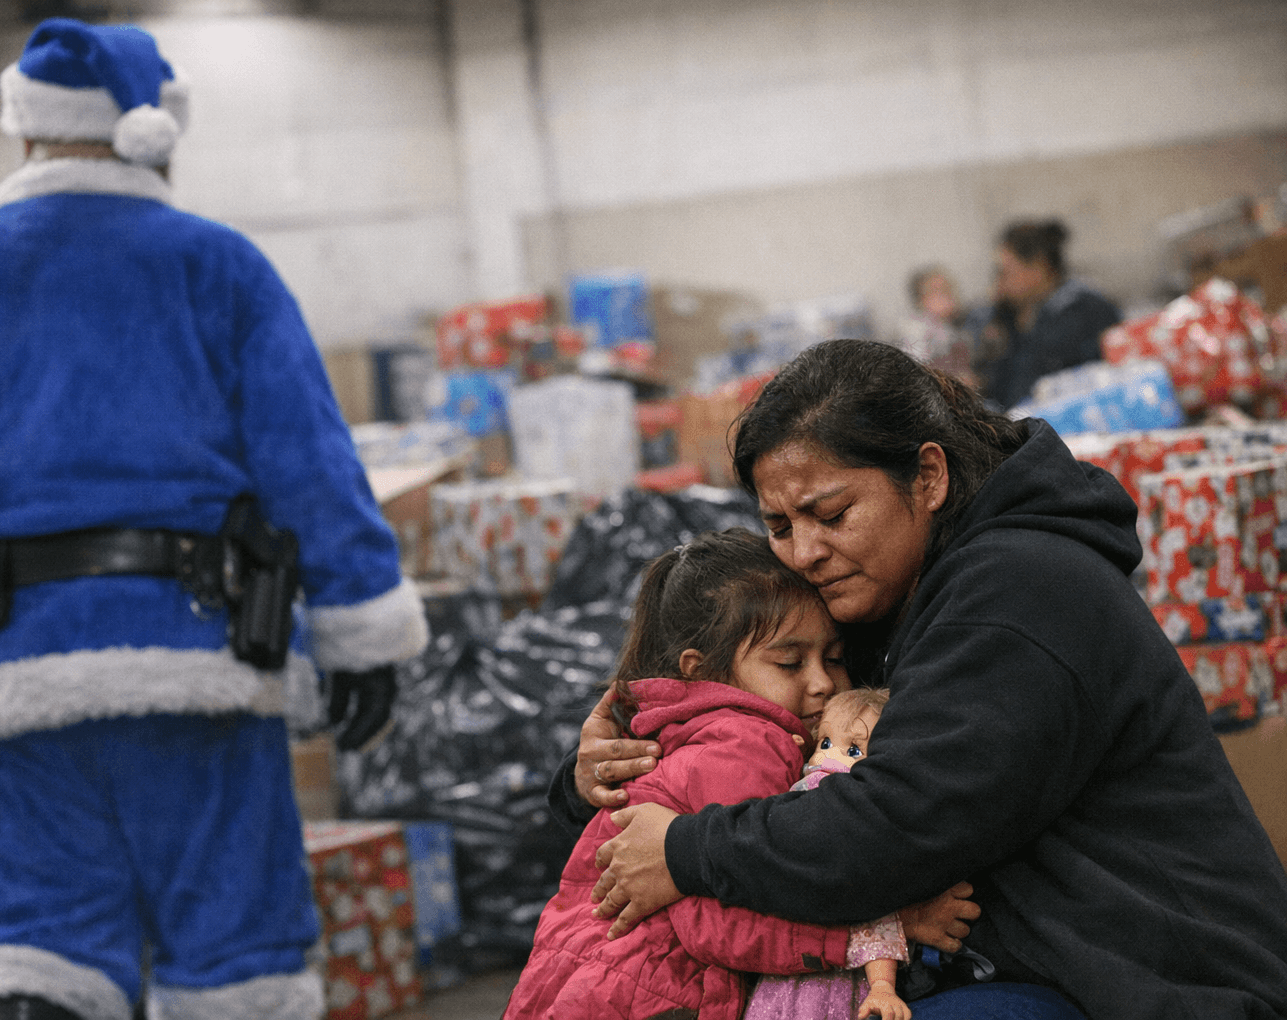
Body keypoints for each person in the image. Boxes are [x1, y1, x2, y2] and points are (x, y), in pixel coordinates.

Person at [0, 19, 429, 1020]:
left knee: (41, 941)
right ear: (156, 134)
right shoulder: (218, 267)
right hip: (196, 661)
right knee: (234, 946)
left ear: (24, 132)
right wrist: (361, 631)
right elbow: (309, 464)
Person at [554, 339, 1287, 1019]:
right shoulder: (878, 598)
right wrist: (604, 774)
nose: (805, 551)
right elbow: (740, 729)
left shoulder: (1019, 593)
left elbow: (895, 826)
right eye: (780, 526)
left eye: (831, 514)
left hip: (1154, 987)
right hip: (1018, 965)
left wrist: (686, 850)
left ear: (928, 477)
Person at [505, 530, 963, 1020]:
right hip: (650, 995)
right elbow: (720, 924)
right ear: (703, 672)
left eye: (834, 658)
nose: (823, 682)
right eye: (789, 662)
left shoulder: (687, 731)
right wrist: (882, 933)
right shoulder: (747, 745)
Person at [744, 687, 909, 1020]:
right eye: (825, 743)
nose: (829, 757)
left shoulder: (857, 809)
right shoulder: (803, 792)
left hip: (836, 965)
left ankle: (882, 985)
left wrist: (881, 986)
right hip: (791, 958)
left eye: (853, 749)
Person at [976, 219, 1122, 409]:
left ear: (1038, 267)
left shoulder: (1083, 310)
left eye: (1005, 272)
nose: (1000, 282)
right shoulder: (1017, 314)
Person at [893, 267, 973, 384]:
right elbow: (915, 369)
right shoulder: (913, 328)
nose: (947, 296)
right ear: (921, 299)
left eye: (948, 289)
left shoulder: (953, 327)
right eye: (938, 291)